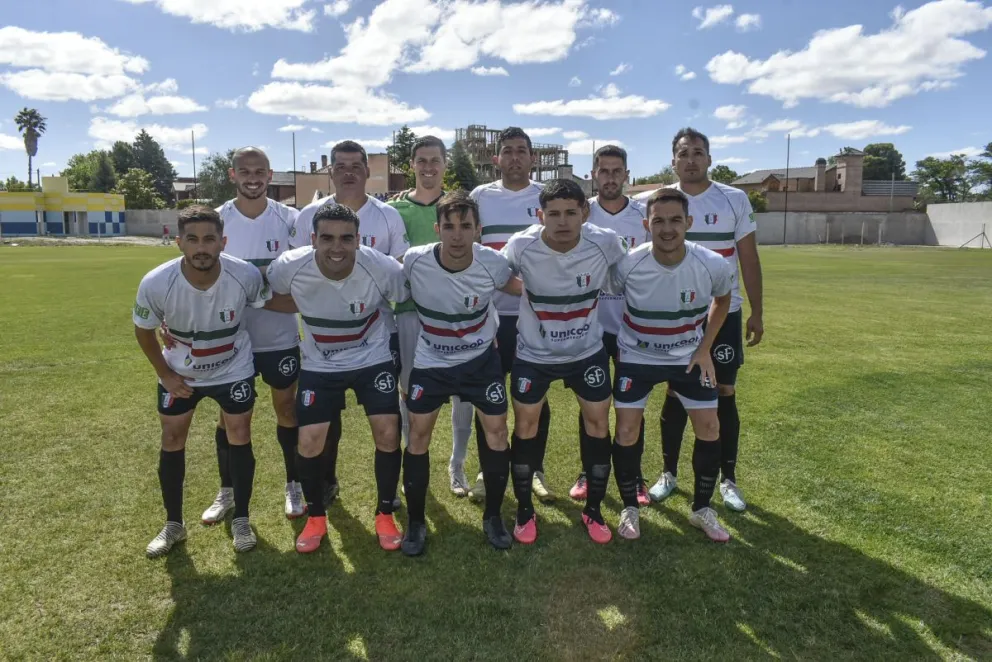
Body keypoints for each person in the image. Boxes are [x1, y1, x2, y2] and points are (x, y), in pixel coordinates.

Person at [134, 205, 295, 557]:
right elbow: (143, 331)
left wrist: (321, 302)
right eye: (192, 239)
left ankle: (241, 519)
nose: (201, 248)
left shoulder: (245, 275)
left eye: (209, 239)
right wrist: (166, 374)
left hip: (232, 369)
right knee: (173, 438)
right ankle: (173, 524)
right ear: (179, 243)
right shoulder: (157, 281)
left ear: (223, 242)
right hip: (182, 375)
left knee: (240, 434)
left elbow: (271, 303)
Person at [266, 202, 407, 554]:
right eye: (327, 238)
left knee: (388, 432)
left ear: (359, 240)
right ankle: (316, 517)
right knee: (310, 440)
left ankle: (385, 514)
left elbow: (403, 298)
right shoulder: (289, 267)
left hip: (371, 357)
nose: (337, 247)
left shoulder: (382, 267)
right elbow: (262, 293)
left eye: (346, 238)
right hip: (320, 364)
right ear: (312, 239)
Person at [642, 129, 764, 512]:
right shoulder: (656, 201)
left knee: (723, 392)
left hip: (723, 313)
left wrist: (757, 310)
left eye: (698, 152)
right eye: (683, 153)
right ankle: (668, 473)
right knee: (676, 391)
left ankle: (728, 479)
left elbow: (748, 258)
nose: (691, 159)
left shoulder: (733, 199)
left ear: (709, 159)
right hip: (676, 314)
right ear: (673, 160)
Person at [503, 179, 626, 545]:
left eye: (571, 212)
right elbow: (497, 274)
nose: (562, 221)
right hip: (533, 355)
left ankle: (594, 510)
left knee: (598, 424)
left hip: (586, 352)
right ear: (540, 215)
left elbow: (624, 276)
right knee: (525, 426)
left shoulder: (605, 242)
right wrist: (530, 290)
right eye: (553, 214)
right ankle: (525, 512)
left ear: (584, 213)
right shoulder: (522, 244)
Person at [610, 188, 734, 541]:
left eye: (675, 220)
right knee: (626, 431)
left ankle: (701, 509)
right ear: (647, 224)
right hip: (637, 356)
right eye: (659, 221)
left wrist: (704, 348)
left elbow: (723, 301)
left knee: (710, 428)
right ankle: (629, 507)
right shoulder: (628, 264)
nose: (667, 229)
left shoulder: (711, 263)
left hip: (687, 356)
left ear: (689, 222)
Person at [401, 190, 521, 555]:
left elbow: (524, 289)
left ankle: (494, 517)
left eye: (465, 226)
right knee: (418, 436)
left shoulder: (493, 263)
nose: (457, 235)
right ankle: (417, 522)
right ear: (437, 229)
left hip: (480, 362)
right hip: (432, 361)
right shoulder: (414, 261)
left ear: (478, 230)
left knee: (497, 432)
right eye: (449, 226)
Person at [295, 141, 410, 507]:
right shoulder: (306, 216)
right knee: (323, 423)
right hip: (321, 342)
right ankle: (326, 481)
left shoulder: (388, 215)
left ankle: (388, 499)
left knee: (386, 421)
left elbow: (399, 273)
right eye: (340, 165)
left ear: (366, 171)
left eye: (355, 165)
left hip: (375, 336)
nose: (348, 172)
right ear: (330, 172)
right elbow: (296, 272)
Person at [199, 146, 305, 527]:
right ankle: (226, 491)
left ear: (270, 174)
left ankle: (294, 485)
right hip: (230, 341)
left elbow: (302, 282)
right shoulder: (218, 220)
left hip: (279, 338)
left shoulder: (290, 220)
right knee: (229, 419)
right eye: (245, 171)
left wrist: (261, 297)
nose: (253, 177)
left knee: (288, 409)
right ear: (233, 175)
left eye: (260, 170)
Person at [470, 127, 555, 504]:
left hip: (534, 315)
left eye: (522, 151)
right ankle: (489, 468)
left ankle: (533, 468)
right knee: (487, 395)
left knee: (535, 397)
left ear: (533, 158)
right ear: (496, 159)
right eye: (508, 151)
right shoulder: (479, 198)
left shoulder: (546, 197)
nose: (515, 157)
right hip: (490, 316)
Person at [388, 136, 476, 498]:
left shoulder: (460, 206)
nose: (428, 167)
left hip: (460, 315)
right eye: (421, 160)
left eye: (435, 160)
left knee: (464, 392)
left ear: (444, 164)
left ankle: (457, 465)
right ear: (412, 165)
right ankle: (415, 459)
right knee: (410, 390)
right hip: (411, 314)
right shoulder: (396, 211)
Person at [569, 145, 650, 506]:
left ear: (626, 176)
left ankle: (634, 478)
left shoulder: (644, 217)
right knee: (593, 407)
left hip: (634, 328)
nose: (611, 178)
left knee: (633, 407)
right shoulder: (581, 218)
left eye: (618, 172)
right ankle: (589, 472)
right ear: (594, 175)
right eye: (604, 171)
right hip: (593, 329)